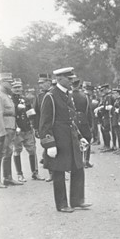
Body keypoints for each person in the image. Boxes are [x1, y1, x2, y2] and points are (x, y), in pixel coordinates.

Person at [39, 67, 92, 213]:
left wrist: (80, 137)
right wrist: (49, 144)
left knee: (78, 168)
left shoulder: (67, 95)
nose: (71, 81)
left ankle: (77, 201)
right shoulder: (50, 96)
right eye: (69, 79)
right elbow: (44, 124)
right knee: (59, 172)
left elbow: (71, 120)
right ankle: (62, 204)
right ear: (60, 79)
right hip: (59, 141)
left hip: (71, 139)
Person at [0, 72, 22, 188]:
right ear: (2, 82)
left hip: (10, 128)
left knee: (8, 152)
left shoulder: (6, 96)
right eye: (9, 82)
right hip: (3, 129)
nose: (11, 84)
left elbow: (12, 114)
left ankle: (7, 177)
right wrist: (1, 132)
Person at [11, 79, 43, 181]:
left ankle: (35, 173)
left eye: (19, 87)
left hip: (27, 129)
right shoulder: (10, 100)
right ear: (12, 89)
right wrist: (17, 109)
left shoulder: (26, 99)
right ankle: (20, 174)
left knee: (32, 150)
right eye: (15, 87)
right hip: (17, 129)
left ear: (22, 88)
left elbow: (31, 113)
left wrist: (33, 123)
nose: (17, 89)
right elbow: (10, 114)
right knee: (17, 151)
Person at [71, 78, 94, 168]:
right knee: (87, 139)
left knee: (75, 140)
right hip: (83, 120)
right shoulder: (85, 96)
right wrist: (91, 124)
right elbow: (88, 111)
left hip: (73, 120)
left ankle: (78, 161)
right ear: (79, 84)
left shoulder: (68, 95)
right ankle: (86, 160)